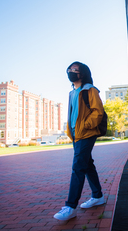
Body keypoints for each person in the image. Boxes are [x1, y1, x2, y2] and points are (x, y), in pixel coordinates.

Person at [54, 61, 105, 221]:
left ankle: (70, 206)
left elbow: (98, 112)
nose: (70, 71)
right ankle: (98, 196)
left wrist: (85, 126)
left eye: (74, 70)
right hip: (76, 135)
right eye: (69, 69)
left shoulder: (90, 90)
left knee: (78, 168)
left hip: (86, 133)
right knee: (87, 165)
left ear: (81, 73)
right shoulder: (72, 93)